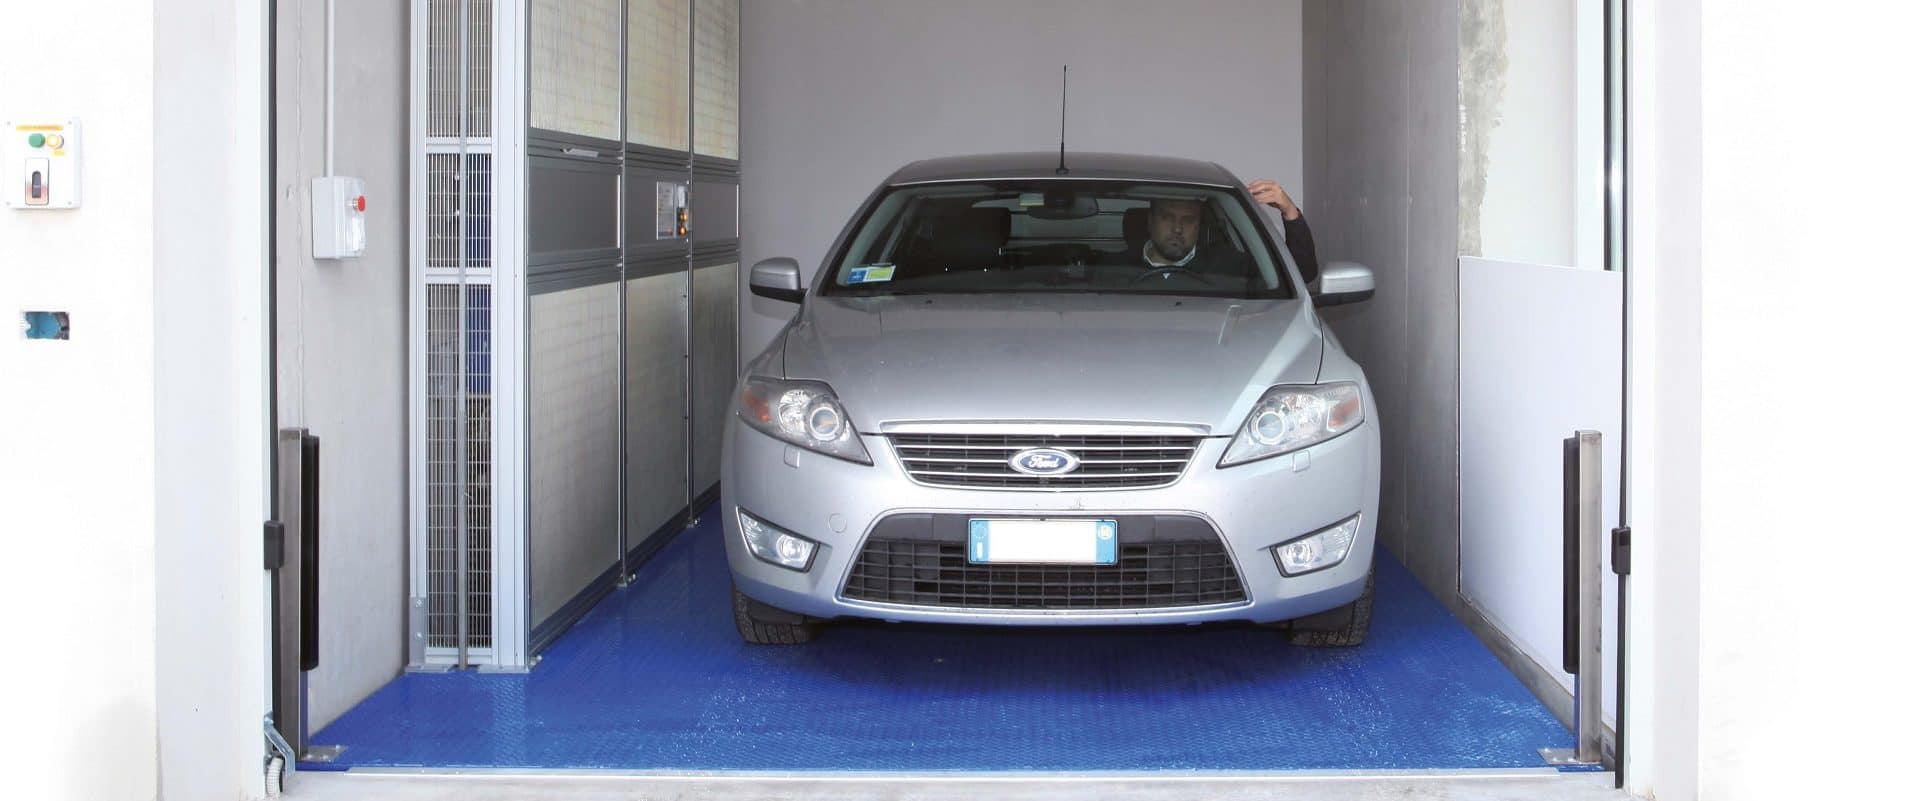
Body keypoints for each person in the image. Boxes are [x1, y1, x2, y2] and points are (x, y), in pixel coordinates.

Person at [1118, 181, 1321, 288]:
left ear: (1199, 225)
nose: (1177, 228)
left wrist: (1289, 211)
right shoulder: (1113, 269)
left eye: (1188, 220)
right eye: (1167, 217)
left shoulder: (1228, 266)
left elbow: (1301, 273)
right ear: (1150, 222)